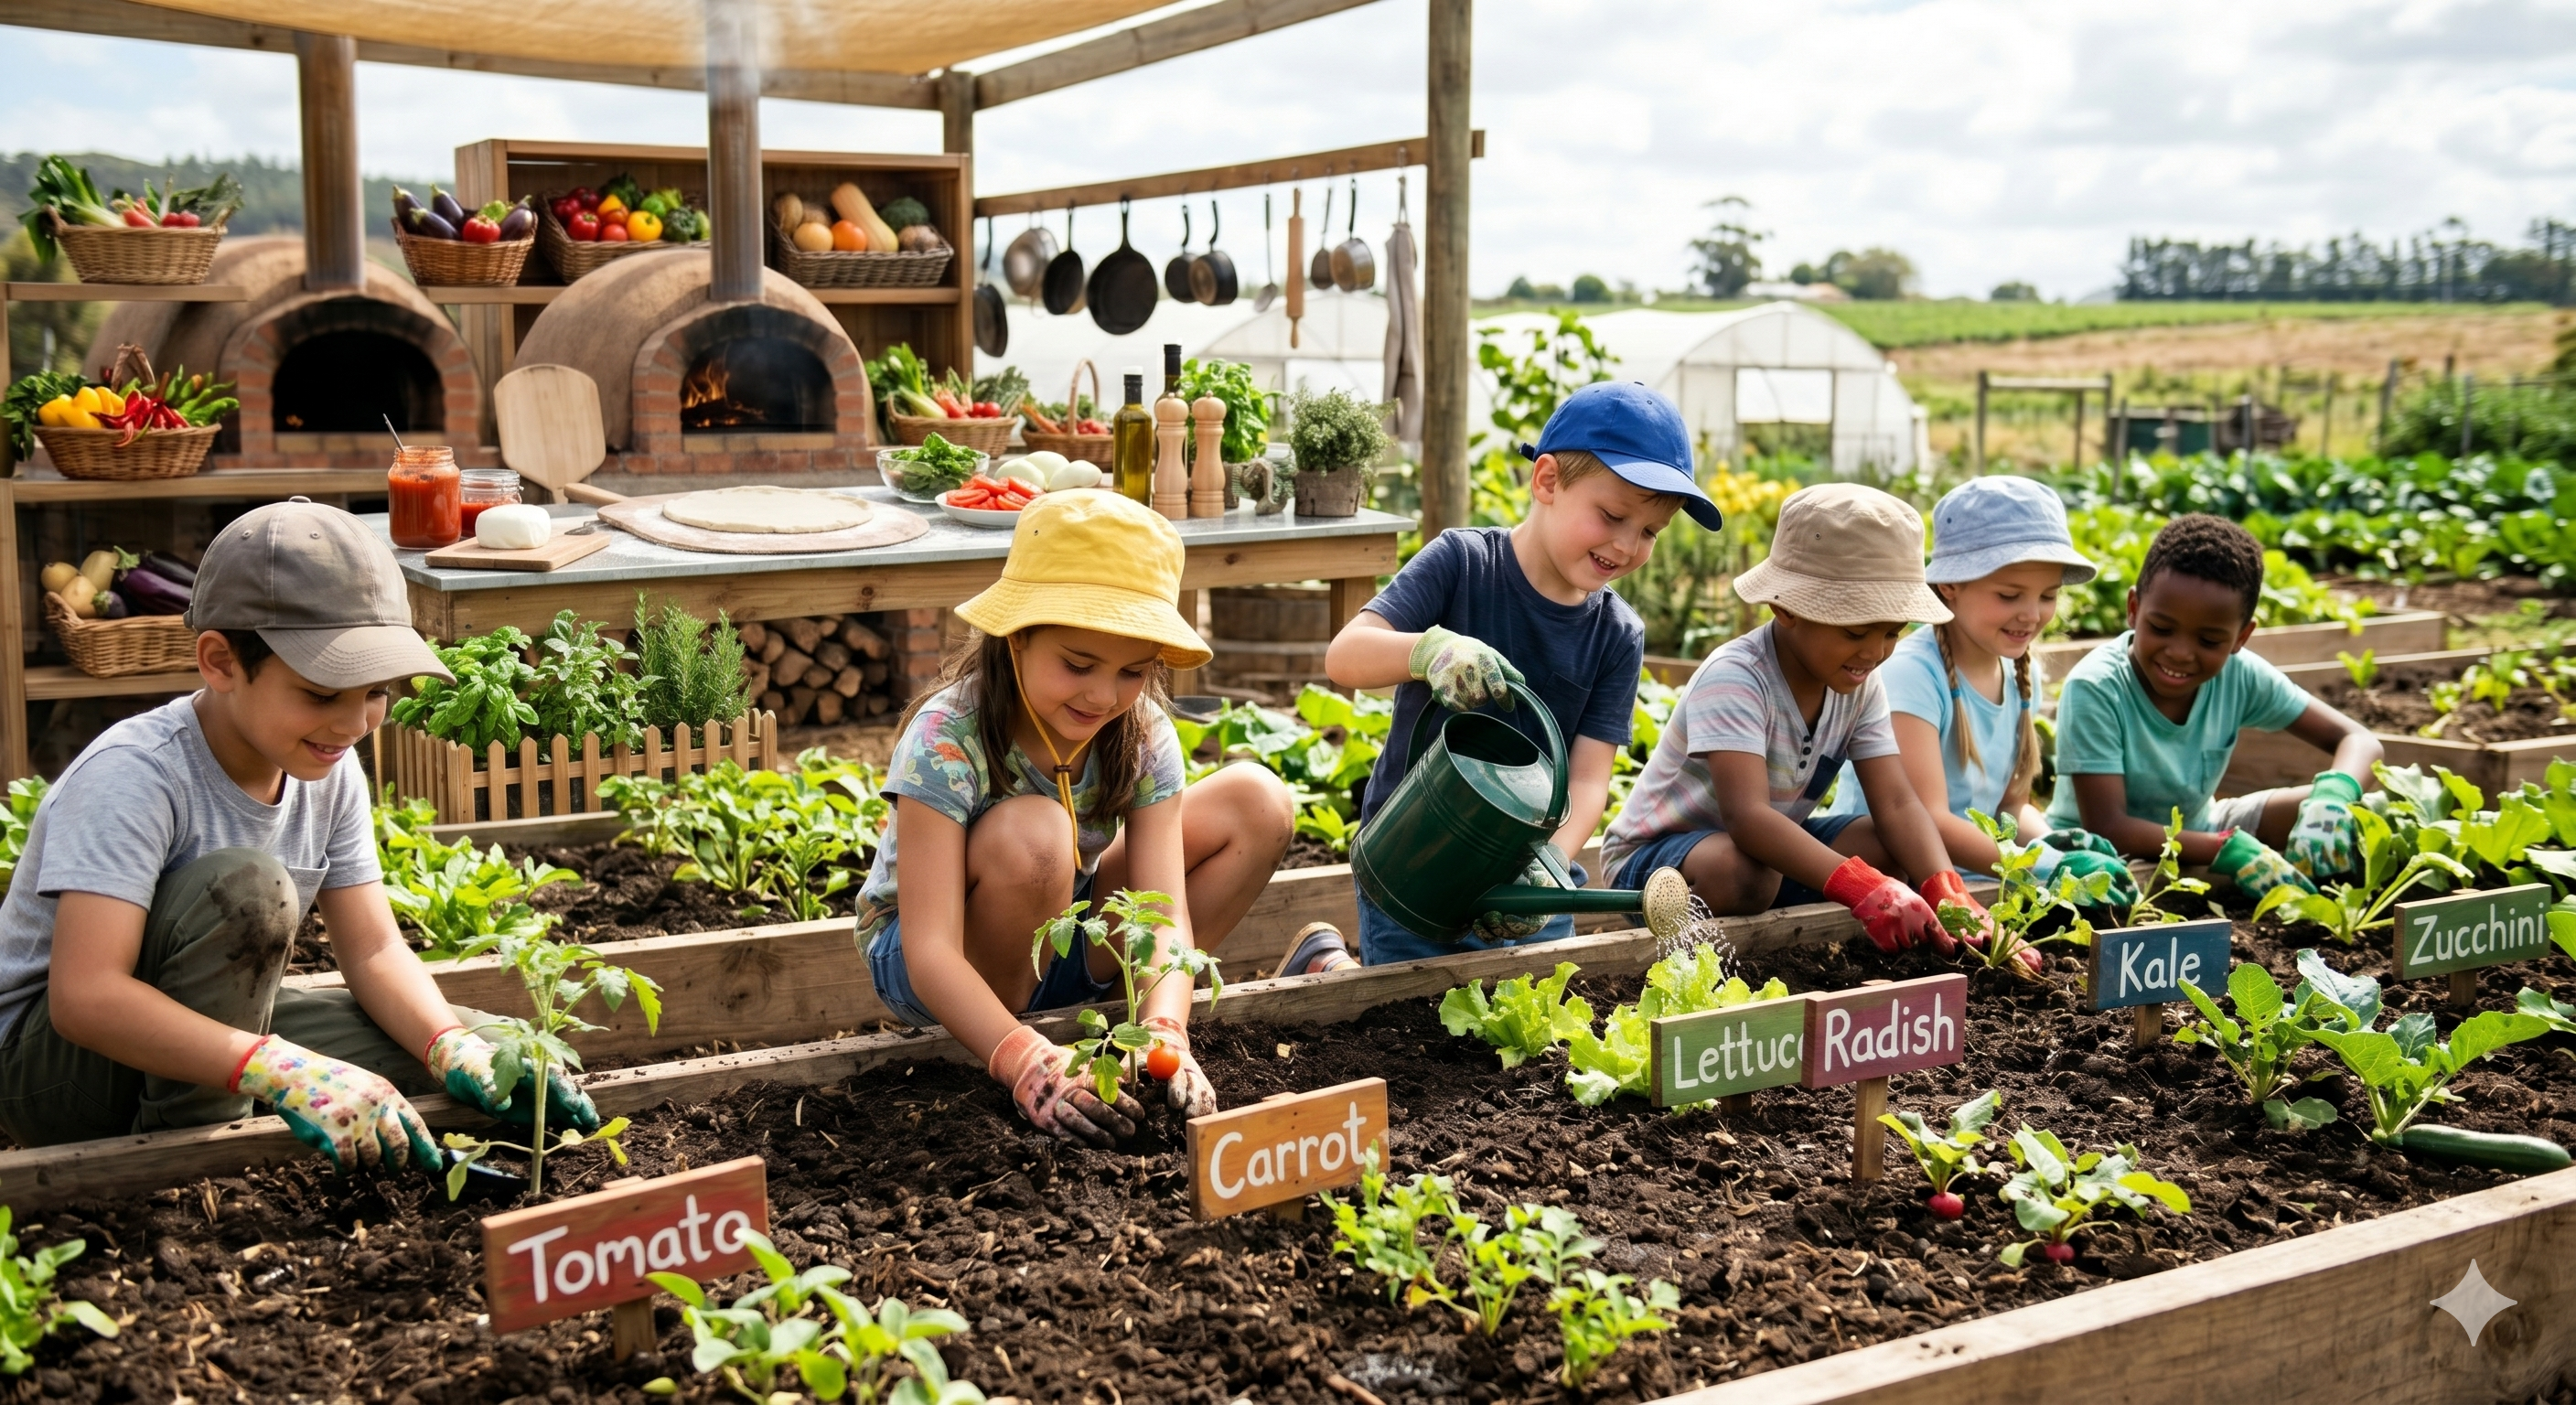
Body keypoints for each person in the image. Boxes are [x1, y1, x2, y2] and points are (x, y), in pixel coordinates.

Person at [0, 499, 584, 1171]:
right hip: (56, 1070)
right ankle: (195, 1168)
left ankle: (245, 1097)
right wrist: (278, 1069)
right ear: (221, 662)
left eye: (375, 692)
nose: (355, 723)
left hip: (198, 1029)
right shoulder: (135, 776)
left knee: (497, 1051)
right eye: (319, 692)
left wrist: (448, 1044)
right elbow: (86, 998)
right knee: (247, 890)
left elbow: (371, 953)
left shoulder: (327, 769)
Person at [859, 491, 1294, 1147]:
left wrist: (1167, 1031)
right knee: (1037, 834)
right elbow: (930, 949)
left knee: (1257, 802)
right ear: (1015, 637)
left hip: (1059, 928)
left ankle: (1120, 1034)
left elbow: (1162, 913)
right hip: (932, 959)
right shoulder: (946, 738)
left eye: (1131, 672)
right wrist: (1025, 1061)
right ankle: (1010, 1034)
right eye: (1078, 665)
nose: (1102, 695)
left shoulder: (1140, 733)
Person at [1310, 381, 1722, 971]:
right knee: (1408, 1025)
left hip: (1530, 879)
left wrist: (1552, 864)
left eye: (1651, 532)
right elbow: (1345, 656)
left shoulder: (1617, 633)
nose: (1628, 545)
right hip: (1416, 861)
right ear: (1548, 481)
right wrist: (1429, 652)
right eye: (1612, 515)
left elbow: (1586, 781)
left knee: (1533, 1044)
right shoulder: (1462, 563)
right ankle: (1326, 966)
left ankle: (1327, 964)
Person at [1601, 482, 1996, 960]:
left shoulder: (1862, 684)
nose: (1874, 652)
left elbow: (1895, 802)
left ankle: (1786, 907)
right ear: (1786, 608)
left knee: (1893, 851)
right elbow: (1748, 818)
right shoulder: (1738, 677)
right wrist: (1860, 887)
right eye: (1854, 631)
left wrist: (1946, 888)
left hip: (1764, 854)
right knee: (1745, 873)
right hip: (1656, 865)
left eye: (1893, 633)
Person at [1815, 476, 2138, 907]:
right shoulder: (1913, 672)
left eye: (2048, 595)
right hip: (1903, 884)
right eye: (2009, 595)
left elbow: (2010, 808)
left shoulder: (2021, 672)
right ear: (1950, 586)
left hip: (1985, 883)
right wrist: (2041, 866)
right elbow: (1928, 817)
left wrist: (2054, 845)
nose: (2031, 614)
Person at [2045, 513, 2379, 896]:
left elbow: (2359, 740)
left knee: (2355, 811)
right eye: (2162, 628)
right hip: (2101, 859)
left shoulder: (2240, 675)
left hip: (2205, 830)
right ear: (2134, 609)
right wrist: (2225, 849)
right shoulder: (2098, 686)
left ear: (2242, 637)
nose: (2181, 653)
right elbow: (2109, 825)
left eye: (2209, 641)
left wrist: (2334, 796)